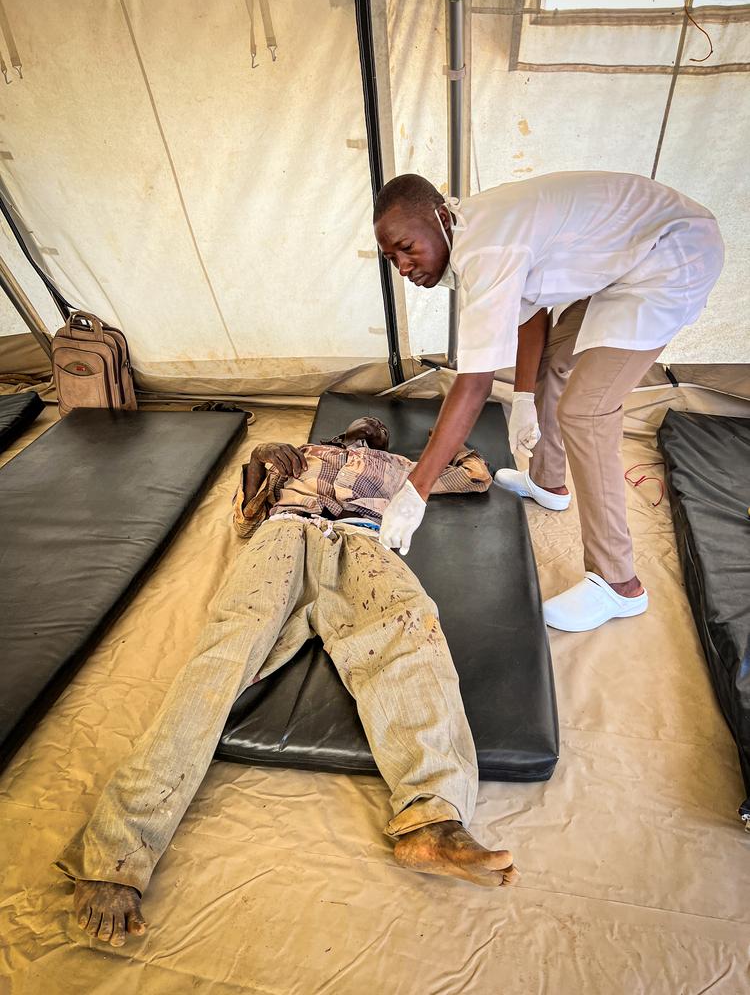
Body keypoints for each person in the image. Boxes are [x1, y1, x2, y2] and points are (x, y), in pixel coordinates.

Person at [56, 415, 518, 948]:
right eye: (357, 427)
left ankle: (434, 821)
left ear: (386, 440)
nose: (364, 430)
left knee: (412, 631)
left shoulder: (401, 468)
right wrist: (260, 462)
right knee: (222, 659)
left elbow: (476, 476)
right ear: (338, 434)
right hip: (283, 535)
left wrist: (445, 446)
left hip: (363, 542)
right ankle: (117, 852)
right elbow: (246, 518)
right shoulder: (295, 453)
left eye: (375, 430)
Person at [374, 172, 724, 631]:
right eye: (390, 257)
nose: (402, 266)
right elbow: (532, 310)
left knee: (587, 410)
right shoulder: (467, 231)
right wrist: (523, 397)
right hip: (630, 258)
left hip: (672, 255)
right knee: (556, 358)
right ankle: (549, 481)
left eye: (406, 247)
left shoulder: (485, 247)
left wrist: (415, 490)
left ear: (440, 217)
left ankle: (619, 584)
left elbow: (473, 384)